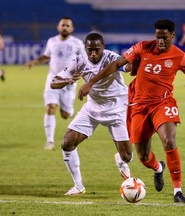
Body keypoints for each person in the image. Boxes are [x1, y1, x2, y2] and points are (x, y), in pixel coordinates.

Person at [78, 19, 185, 203]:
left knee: (169, 142)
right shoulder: (142, 47)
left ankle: (177, 192)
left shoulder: (180, 56)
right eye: (158, 37)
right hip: (138, 106)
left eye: (164, 38)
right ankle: (158, 168)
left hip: (163, 104)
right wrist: (91, 82)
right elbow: (116, 64)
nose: (160, 41)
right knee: (143, 157)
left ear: (172, 35)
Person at [50, 33, 133, 195]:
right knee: (67, 143)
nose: (93, 53)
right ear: (85, 48)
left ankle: (121, 160)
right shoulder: (79, 61)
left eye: (97, 50)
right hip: (92, 109)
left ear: (103, 47)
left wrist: (131, 65)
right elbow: (54, 82)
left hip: (117, 110)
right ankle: (78, 186)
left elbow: (126, 67)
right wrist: (68, 81)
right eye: (90, 50)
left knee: (127, 157)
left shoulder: (111, 57)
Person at [24, 17, 85, 150]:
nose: (65, 27)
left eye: (67, 26)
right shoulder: (51, 41)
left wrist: (80, 74)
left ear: (72, 28)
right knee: (50, 107)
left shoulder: (77, 43)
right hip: (53, 79)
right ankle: (50, 141)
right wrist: (34, 61)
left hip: (69, 82)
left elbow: (84, 60)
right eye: (63, 25)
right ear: (58, 27)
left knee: (65, 115)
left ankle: (69, 110)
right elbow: (47, 56)